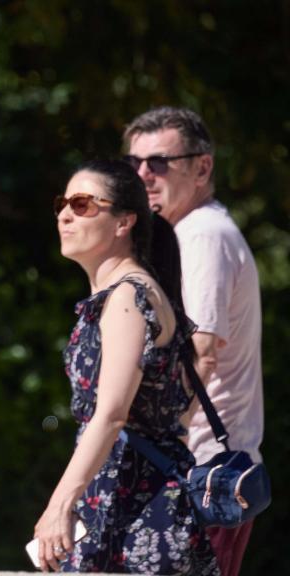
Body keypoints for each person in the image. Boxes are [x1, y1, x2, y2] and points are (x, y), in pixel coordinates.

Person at [34, 160, 218, 575]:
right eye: (63, 203)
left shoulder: (128, 298)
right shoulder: (130, 294)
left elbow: (112, 413)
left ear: (124, 223)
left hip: (138, 512)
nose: (64, 214)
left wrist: (59, 505)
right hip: (131, 501)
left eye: (82, 204)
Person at [124, 107, 263, 576]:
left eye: (160, 162)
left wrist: (152, 444)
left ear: (202, 167)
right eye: (135, 163)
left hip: (201, 471)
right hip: (198, 469)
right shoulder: (186, 233)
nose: (143, 175)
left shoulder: (202, 235)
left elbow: (202, 352)